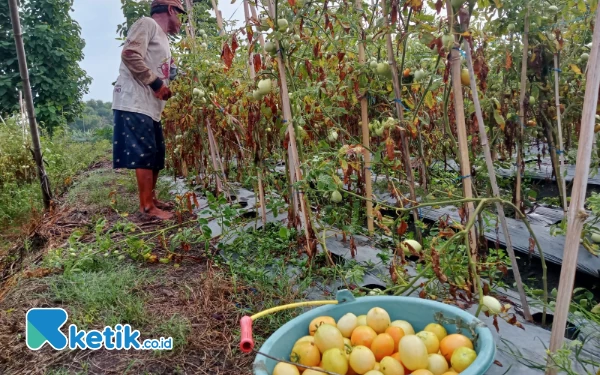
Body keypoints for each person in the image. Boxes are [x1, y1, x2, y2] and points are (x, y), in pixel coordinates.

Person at [111, 0, 186, 220]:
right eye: (180, 15)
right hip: (134, 101)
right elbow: (130, 54)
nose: (180, 21)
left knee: (155, 154)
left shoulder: (163, 39)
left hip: (150, 106)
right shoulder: (147, 24)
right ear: (171, 10)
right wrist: (156, 84)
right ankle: (146, 207)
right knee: (144, 154)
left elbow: (162, 67)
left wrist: (176, 74)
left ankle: (151, 199)